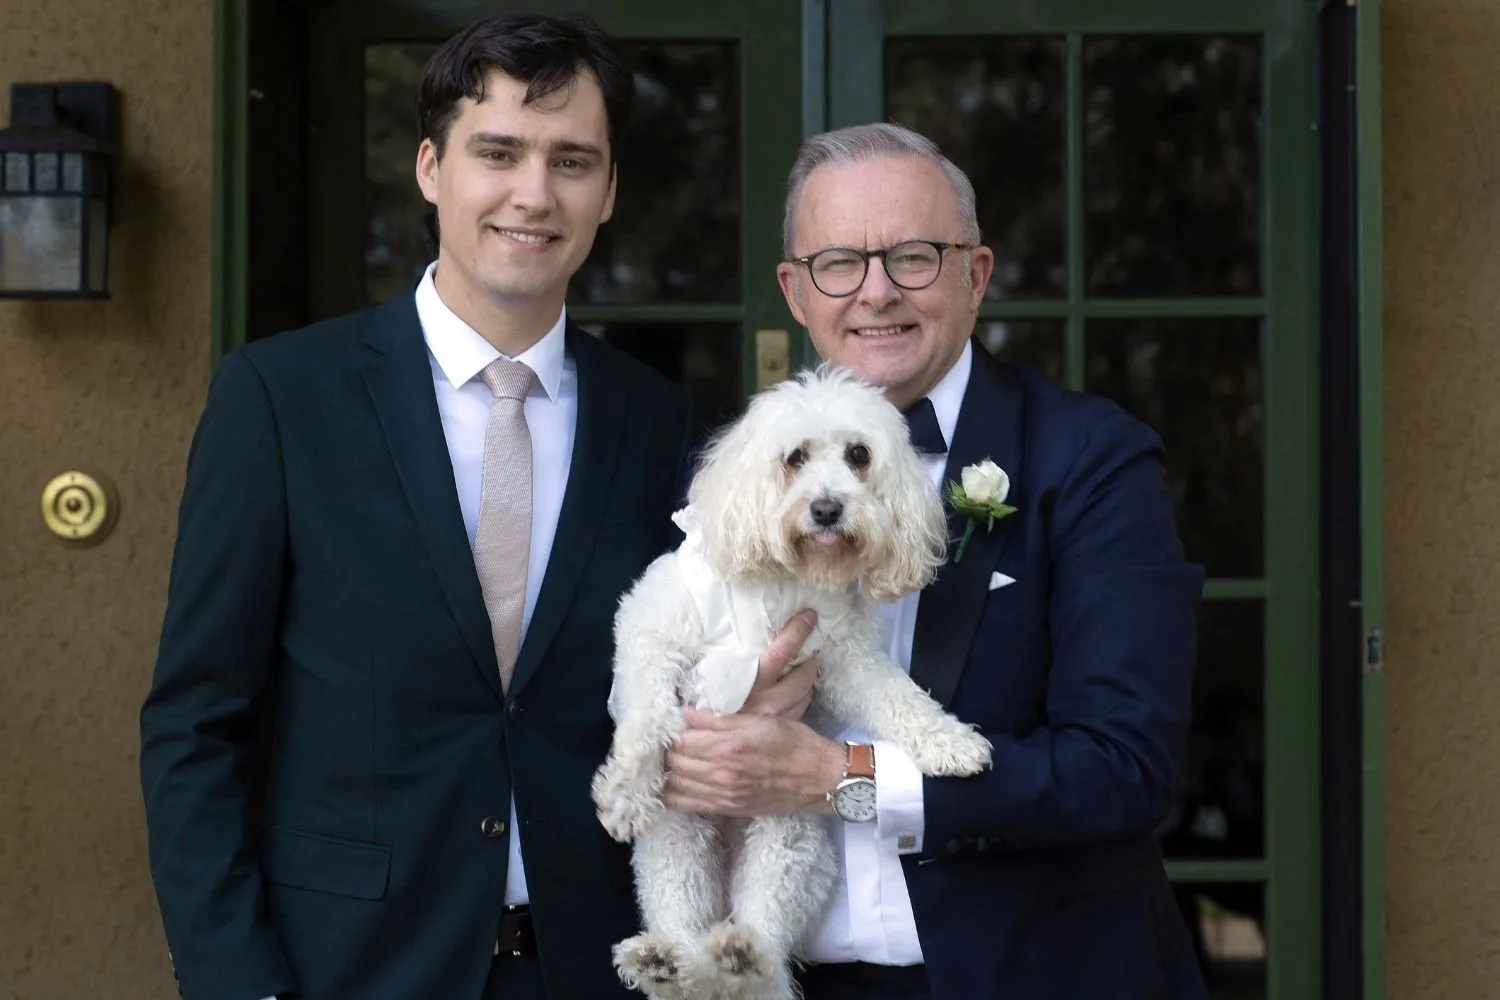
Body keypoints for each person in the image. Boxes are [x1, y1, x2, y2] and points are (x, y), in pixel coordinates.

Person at [138, 14, 815, 1000]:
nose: (533, 194)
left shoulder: (654, 417)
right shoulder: (281, 399)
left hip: (595, 967)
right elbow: (196, 723)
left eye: (571, 161)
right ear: (430, 167)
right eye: (498, 152)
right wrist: (236, 979)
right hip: (350, 969)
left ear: (610, 190)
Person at [661, 122, 1210, 999]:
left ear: (975, 274)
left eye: (914, 256)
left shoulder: (1092, 458)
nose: (876, 293)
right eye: (840, 263)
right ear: (796, 293)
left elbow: (1122, 771)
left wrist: (842, 783)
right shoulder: (743, 479)